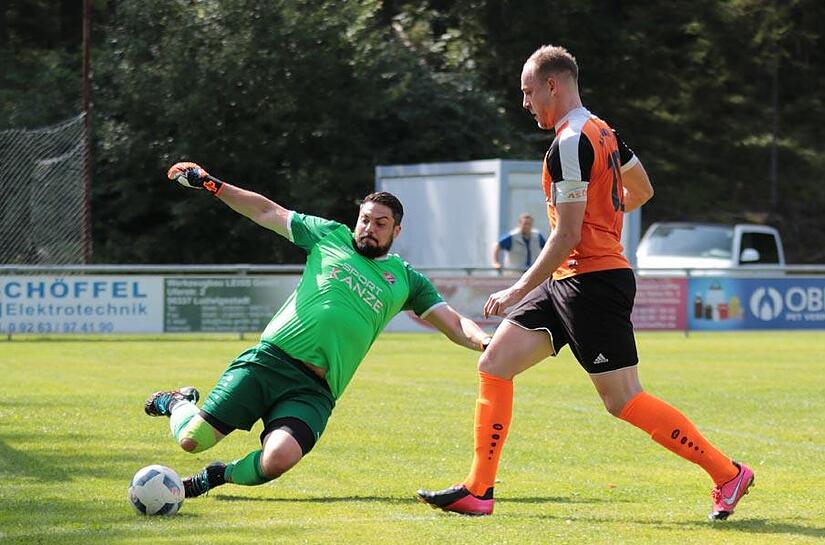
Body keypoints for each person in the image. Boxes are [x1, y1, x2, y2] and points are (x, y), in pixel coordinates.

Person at [417, 45, 754, 521]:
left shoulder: (571, 142)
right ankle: (478, 489)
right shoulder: (604, 133)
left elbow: (568, 233)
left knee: (623, 400)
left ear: (553, 85)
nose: (526, 102)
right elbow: (641, 191)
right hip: (569, 279)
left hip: (592, 283)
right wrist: (603, 221)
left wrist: (517, 289)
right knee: (495, 363)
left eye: (529, 92)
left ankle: (727, 473)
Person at [144, 161, 493, 498]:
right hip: (268, 362)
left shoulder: (406, 280)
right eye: (365, 220)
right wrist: (212, 184)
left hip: (314, 390)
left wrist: (484, 342)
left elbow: (453, 321)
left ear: (396, 231)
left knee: (278, 459)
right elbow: (266, 211)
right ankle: (177, 402)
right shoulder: (329, 236)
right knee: (192, 440)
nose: (369, 228)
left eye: (380, 223)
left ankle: (217, 476)